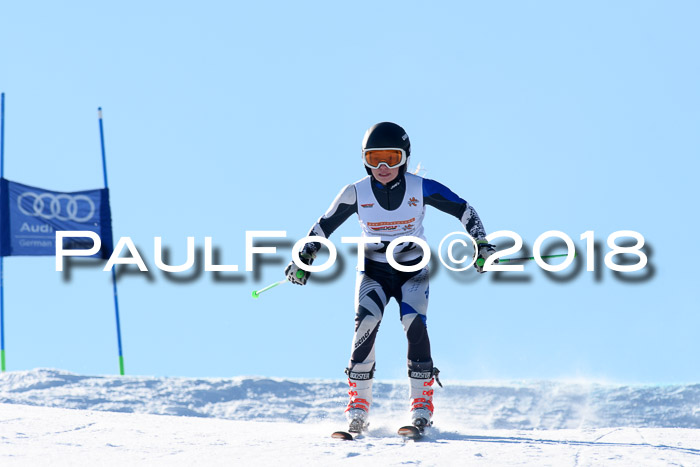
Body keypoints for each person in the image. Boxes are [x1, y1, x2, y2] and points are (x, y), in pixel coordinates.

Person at [284, 122, 495, 433]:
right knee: (366, 324)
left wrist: (482, 244)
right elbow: (322, 227)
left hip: (413, 268)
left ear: (405, 158)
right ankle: (358, 408)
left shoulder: (419, 187)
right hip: (374, 269)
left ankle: (421, 407)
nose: (383, 167)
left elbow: (464, 209)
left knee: (414, 323)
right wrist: (303, 258)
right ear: (364, 160)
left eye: (391, 158)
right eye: (374, 158)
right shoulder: (355, 192)